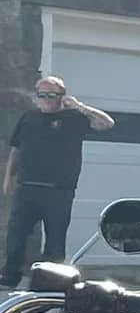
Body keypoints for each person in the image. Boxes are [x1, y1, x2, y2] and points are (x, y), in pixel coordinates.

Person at [3, 74, 113, 288]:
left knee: (55, 239)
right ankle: (9, 277)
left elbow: (107, 123)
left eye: (51, 95)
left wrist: (79, 106)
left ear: (62, 96)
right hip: (27, 187)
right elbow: (16, 148)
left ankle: (49, 281)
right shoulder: (28, 117)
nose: (45, 99)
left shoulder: (74, 118)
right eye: (41, 95)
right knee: (15, 235)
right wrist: (8, 177)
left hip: (58, 191)